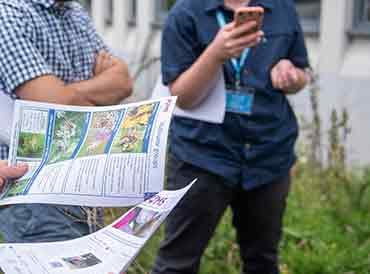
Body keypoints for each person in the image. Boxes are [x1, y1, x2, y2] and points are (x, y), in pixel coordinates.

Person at [152, 0, 310, 274]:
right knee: (177, 263)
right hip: (202, 157)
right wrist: (215, 54)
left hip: (268, 155)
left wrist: (291, 74)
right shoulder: (186, 13)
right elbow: (183, 99)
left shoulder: (282, 8)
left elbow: (301, 73)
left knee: (262, 260)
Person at [0, 0, 133, 243]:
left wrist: (69, 97)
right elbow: (54, 102)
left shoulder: (75, 12)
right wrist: (94, 95)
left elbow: (124, 82)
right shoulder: (8, 15)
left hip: (85, 182)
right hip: (37, 192)